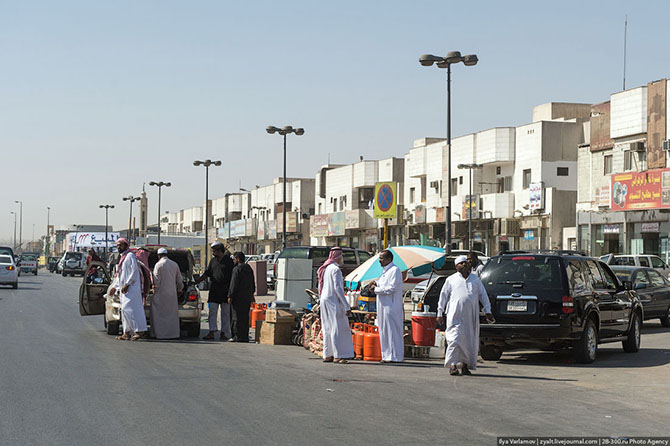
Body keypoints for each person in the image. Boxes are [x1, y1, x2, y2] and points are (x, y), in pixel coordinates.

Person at [436, 255, 494, 376]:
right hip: (454, 315)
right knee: (454, 340)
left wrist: (487, 311)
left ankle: (465, 365)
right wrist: (439, 313)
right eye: (461, 263)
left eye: (466, 263)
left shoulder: (475, 280)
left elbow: (483, 296)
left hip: (470, 317)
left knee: (469, 341)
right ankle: (453, 365)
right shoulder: (451, 280)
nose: (464, 264)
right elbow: (443, 297)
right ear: (456, 266)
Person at [317, 247, 354, 364]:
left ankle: (328, 354)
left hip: (325, 299)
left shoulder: (327, 268)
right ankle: (338, 355)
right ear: (339, 257)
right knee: (336, 327)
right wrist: (347, 306)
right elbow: (338, 289)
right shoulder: (336, 269)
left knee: (327, 326)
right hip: (333, 300)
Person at [109, 238, 148, 341]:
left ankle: (139, 331)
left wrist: (127, 284)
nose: (118, 247)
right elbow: (120, 276)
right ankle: (126, 333)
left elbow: (134, 272)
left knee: (133, 310)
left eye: (120, 245)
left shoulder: (130, 256)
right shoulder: (123, 258)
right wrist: (115, 287)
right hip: (125, 290)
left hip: (132, 289)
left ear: (126, 245)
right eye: (117, 245)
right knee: (125, 311)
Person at [369, 250, 404, 363]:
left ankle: (395, 356)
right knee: (384, 330)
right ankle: (386, 355)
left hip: (391, 306)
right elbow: (384, 285)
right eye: (379, 258)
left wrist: (376, 290)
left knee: (392, 330)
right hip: (383, 305)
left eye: (382, 258)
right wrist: (376, 284)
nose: (380, 261)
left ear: (389, 259)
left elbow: (392, 288)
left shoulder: (395, 270)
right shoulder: (385, 272)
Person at [196, 241, 234, 340]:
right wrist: (196, 281)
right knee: (212, 312)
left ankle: (224, 333)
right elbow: (207, 273)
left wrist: (231, 292)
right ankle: (211, 332)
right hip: (214, 291)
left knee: (225, 314)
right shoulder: (213, 261)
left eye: (215, 251)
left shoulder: (229, 262)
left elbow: (233, 277)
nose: (213, 253)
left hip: (225, 291)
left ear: (220, 251)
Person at [150, 247, 183, 339]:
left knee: (157, 315)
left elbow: (156, 280)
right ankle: (173, 334)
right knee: (171, 315)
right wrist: (180, 289)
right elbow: (179, 279)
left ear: (159, 255)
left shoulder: (158, 265)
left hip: (160, 294)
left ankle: (159, 334)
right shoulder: (174, 264)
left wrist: (154, 289)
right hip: (172, 295)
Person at [228, 252, 255, 342]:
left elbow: (233, 283)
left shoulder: (237, 269)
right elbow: (252, 283)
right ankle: (244, 336)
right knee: (245, 317)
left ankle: (237, 336)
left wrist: (230, 295)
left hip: (237, 297)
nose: (233, 260)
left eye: (234, 259)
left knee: (236, 317)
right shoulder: (249, 268)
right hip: (247, 297)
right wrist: (252, 294)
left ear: (238, 259)